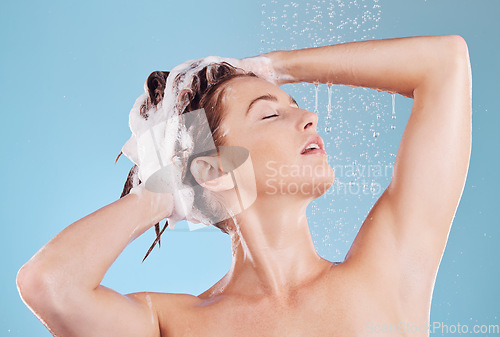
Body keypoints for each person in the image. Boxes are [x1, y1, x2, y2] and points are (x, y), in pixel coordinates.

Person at [17, 35, 471, 337]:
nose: (309, 118)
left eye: (296, 105)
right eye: (270, 114)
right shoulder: (172, 323)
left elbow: (444, 64)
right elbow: (50, 284)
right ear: (215, 170)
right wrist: (160, 192)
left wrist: (273, 68)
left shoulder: (388, 273)